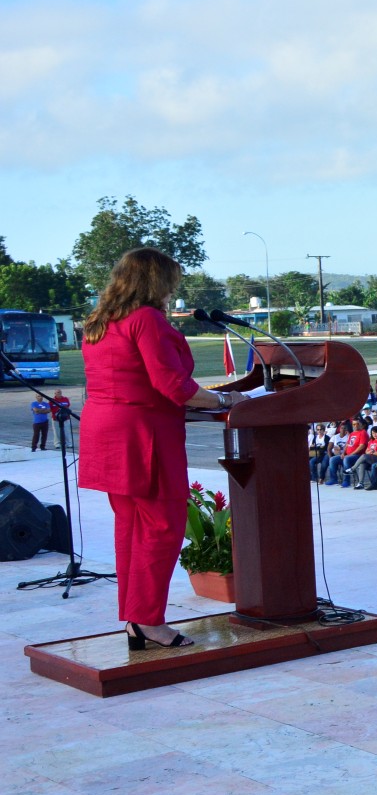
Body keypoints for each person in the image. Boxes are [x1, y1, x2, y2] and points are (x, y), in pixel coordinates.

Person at [79, 248, 248, 650]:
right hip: (143, 434)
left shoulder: (100, 321)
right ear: (157, 281)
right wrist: (228, 401)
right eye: (172, 280)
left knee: (131, 529)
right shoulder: (146, 320)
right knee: (162, 527)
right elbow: (172, 386)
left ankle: (136, 619)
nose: (175, 289)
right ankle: (150, 622)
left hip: (105, 430)